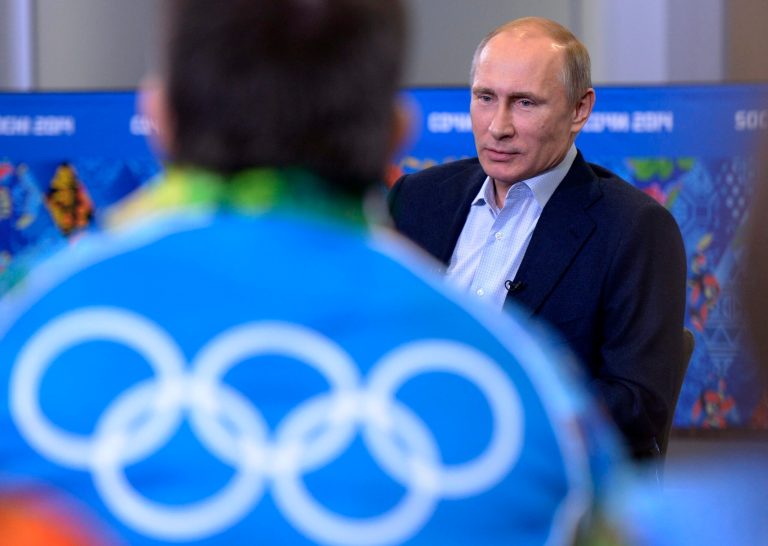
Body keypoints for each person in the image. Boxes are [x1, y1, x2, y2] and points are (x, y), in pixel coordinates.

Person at [0, 2, 627, 545]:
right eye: (487, 98)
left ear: (158, 115)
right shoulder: (535, 388)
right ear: (396, 133)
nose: (500, 120)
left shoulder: (21, 316)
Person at [388, 17, 687, 459]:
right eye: (485, 98)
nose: (498, 126)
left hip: (536, 474)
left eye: (524, 103)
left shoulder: (634, 228)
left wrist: (494, 412)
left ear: (580, 110)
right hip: (400, 450)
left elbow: (637, 408)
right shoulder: (416, 198)